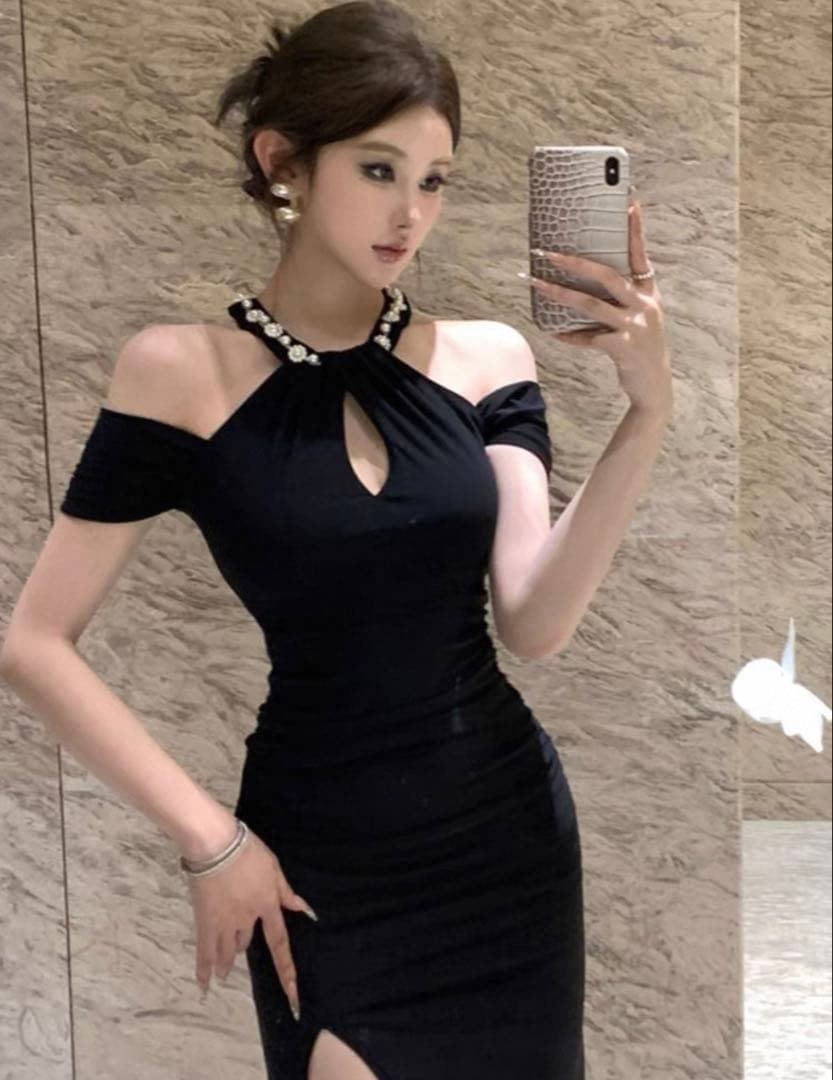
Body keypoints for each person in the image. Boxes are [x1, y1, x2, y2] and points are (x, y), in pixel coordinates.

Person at [0, 3, 672, 1078]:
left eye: (434, 180)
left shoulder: (485, 359)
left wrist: (645, 412)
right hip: (322, 861)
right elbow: (35, 643)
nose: (410, 212)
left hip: (504, 840)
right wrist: (211, 840)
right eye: (377, 170)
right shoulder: (177, 375)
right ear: (284, 163)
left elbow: (533, 622)